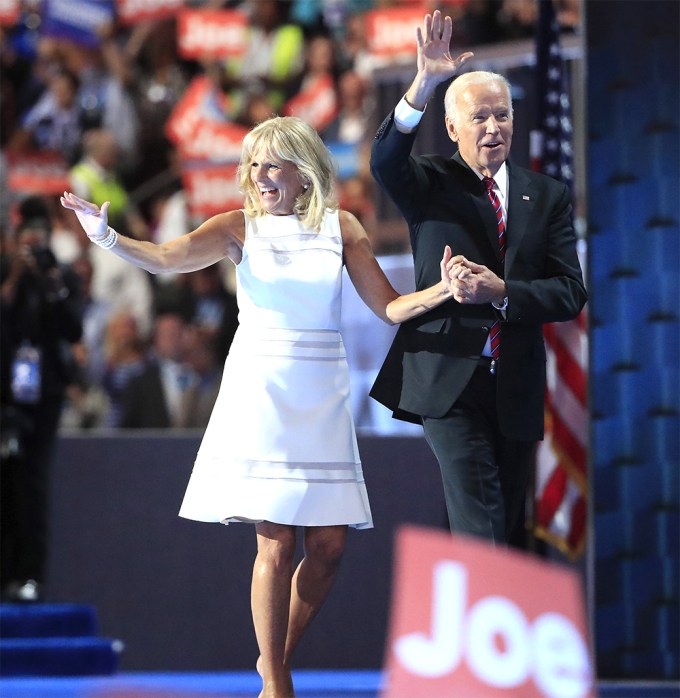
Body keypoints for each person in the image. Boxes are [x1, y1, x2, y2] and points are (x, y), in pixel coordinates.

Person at [61, 114, 457, 698]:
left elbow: (391, 309)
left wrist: (445, 289)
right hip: (263, 389)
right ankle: (275, 680)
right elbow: (168, 258)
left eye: (273, 163)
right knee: (276, 541)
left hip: (322, 392)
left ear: (303, 171)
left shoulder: (341, 227)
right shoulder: (235, 227)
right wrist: (107, 237)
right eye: (254, 163)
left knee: (328, 548)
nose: (261, 174)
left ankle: (274, 659)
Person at [369, 11, 588, 548]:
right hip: (448, 382)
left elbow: (569, 292)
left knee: (505, 533)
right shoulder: (428, 183)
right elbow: (385, 160)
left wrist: (503, 292)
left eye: (503, 115)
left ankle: (464, 620)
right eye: (479, 118)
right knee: (480, 522)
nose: (494, 128)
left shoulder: (548, 196)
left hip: (516, 384)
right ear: (451, 129)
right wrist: (423, 83)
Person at [0, 213, 83, 602]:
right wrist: (13, 279)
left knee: (32, 485)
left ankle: (30, 576)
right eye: (25, 241)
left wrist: (51, 283)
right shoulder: (7, 275)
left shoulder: (59, 277)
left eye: (38, 241)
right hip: (5, 395)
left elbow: (74, 330)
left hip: (42, 397)